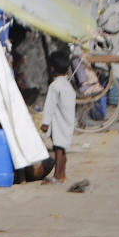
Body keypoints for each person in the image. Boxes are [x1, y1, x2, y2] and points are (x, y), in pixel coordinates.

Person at [40, 50, 75, 184]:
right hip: (68, 121)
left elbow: (49, 106)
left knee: (58, 149)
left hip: (59, 122)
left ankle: (56, 176)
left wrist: (45, 123)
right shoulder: (68, 85)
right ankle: (63, 174)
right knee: (63, 148)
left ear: (52, 69)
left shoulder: (54, 86)